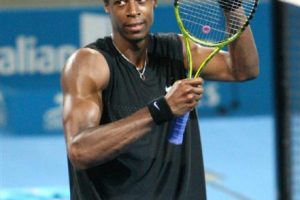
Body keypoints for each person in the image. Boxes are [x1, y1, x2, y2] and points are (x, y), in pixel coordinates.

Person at [61, 0, 259, 199]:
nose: (133, 11)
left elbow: (243, 70)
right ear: (107, 6)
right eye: (121, 3)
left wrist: (232, 8)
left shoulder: (178, 50)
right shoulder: (88, 64)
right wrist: (161, 109)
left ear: (153, 2)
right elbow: (80, 151)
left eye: (141, 1)